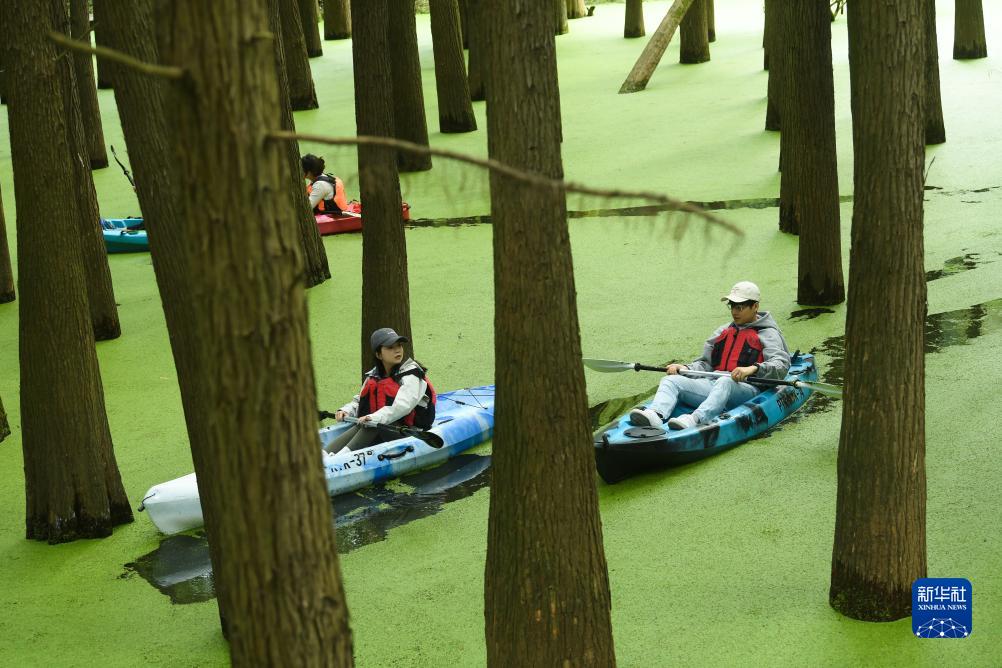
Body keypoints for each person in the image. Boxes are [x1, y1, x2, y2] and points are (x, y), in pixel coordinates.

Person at [629, 281, 791, 430]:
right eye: (732, 306)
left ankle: (696, 419)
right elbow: (705, 365)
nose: (734, 312)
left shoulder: (768, 333)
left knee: (725, 381)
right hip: (713, 385)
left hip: (748, 390)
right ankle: (656, 415)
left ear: (755, 306)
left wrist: (753, 369)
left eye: (740, 307)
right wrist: (685, 368)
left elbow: (781, 365)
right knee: (670, 380)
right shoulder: (722, 332)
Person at [323, 328, 437, 454]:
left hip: (410, 434)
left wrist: (373, 418)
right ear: (378, 354)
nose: (397, 350)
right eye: (390, 347)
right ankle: (324, 455)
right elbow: (360, 401)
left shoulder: (412, 375)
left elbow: (403, 406)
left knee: (374, 424)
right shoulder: (374, 376)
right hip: (384, 428)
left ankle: (338, 458)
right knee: (365, 424)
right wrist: (346, 411)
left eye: (399, 345)